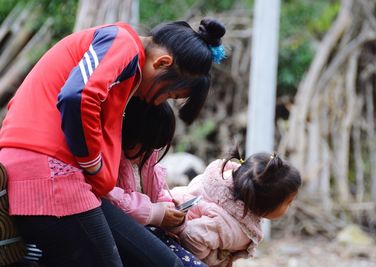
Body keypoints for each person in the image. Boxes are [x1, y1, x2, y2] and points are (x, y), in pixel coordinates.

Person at [0, 17, 226, 266]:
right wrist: (93, 163)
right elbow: (78, 96)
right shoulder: (123, 43)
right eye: (170, 94)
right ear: (162, 63)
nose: (161, 102)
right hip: (47, 174)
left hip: (65, 179)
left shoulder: (127, 66)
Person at [105, 96, 206, 266]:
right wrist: (156, 214)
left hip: (153, 231)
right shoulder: (113, 160)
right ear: (131, 133)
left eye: (154, 146)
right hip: (125, 236)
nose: (148, 151)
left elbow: (158, 194)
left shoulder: (149, 159)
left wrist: (172, 216)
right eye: (145, 144)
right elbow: (112, 199)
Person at [170, 146, 302, 267]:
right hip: (167, 238)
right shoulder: (230, 226)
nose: (291, 205)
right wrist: (210, 261)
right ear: (265, 204)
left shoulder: (226, 182)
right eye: (288, 202)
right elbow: (191, 236)